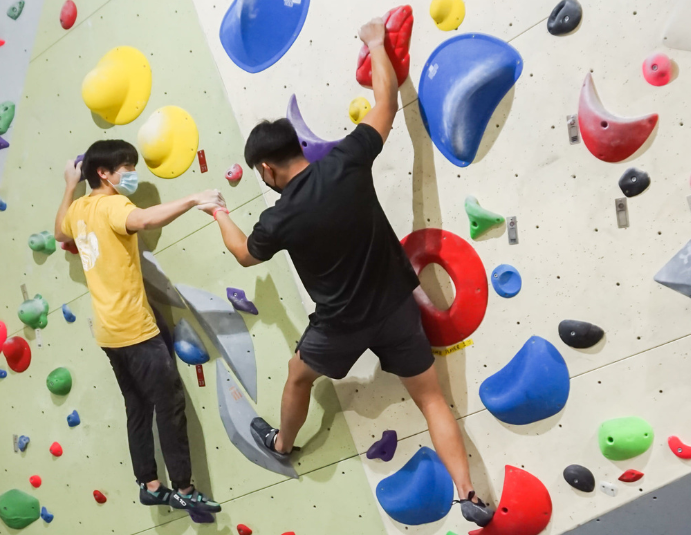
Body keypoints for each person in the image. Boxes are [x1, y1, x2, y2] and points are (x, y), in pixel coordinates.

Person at [202, 18, 494, 527]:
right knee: (431, 400)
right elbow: (384, 105)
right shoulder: (347, 160)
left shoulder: (279, 216)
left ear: (267, 170)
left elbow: (245, 254)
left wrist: (219, 213)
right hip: (397, 305)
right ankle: (469, 494)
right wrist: (377, 43)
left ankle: (281, 443)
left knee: (297, 378)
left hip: (341, 323)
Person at [53, 139, 225, 514]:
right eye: (126, 168)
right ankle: (184, 488)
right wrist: (194, 199)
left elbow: (60, 234)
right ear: (104, 173)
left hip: (108, 332)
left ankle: (149, 483)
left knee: (138, 406)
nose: (132, 174)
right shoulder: (114, 204)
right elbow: (144, 220)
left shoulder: (80, 207)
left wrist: (70, 185)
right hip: (135, 330)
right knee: (170, 404)